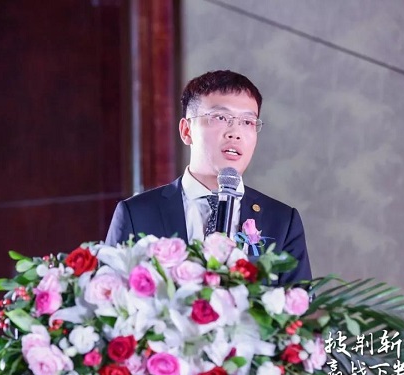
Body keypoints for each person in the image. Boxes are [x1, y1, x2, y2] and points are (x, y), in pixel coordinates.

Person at [105, 70, 311, 285]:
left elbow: (300, 303)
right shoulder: (136, 214)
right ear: (186, 130)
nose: (235, 132)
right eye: (220, 117)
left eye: (248, 122)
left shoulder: (282, 220)